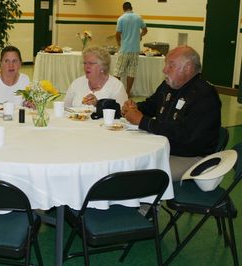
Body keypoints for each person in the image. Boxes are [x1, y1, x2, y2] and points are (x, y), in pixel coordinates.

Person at [121, 45, 221, 181]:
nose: (164, 70)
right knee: (126, 160)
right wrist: (133, 107)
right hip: (164, 147)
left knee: (140, 176)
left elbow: (186, 137)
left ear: (188, 68)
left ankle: (145, 201)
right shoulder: (169, 86)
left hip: (191, 157)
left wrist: (142, 121)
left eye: (171, 65)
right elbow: (151, 106)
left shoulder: (204, 96)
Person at [64, 45, 128, 109]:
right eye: (85, 63)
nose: (86, 66)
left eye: (91, 63)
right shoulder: (77, 83)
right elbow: (64, 108)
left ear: (103, 66)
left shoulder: (116, 87)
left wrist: (98, 104)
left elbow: (123, 113)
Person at [113, 2, 147, 97]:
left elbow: (117, 34)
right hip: (135, 49)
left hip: (124, 49)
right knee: (131, 72)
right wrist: (140, 36)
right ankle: (127, 92)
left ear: (124, 9)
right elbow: (145, 30)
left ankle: (116, 92)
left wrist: (119, 43)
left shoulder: (121, 18)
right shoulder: (138, 18)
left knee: (118, 71)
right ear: (131, 8)